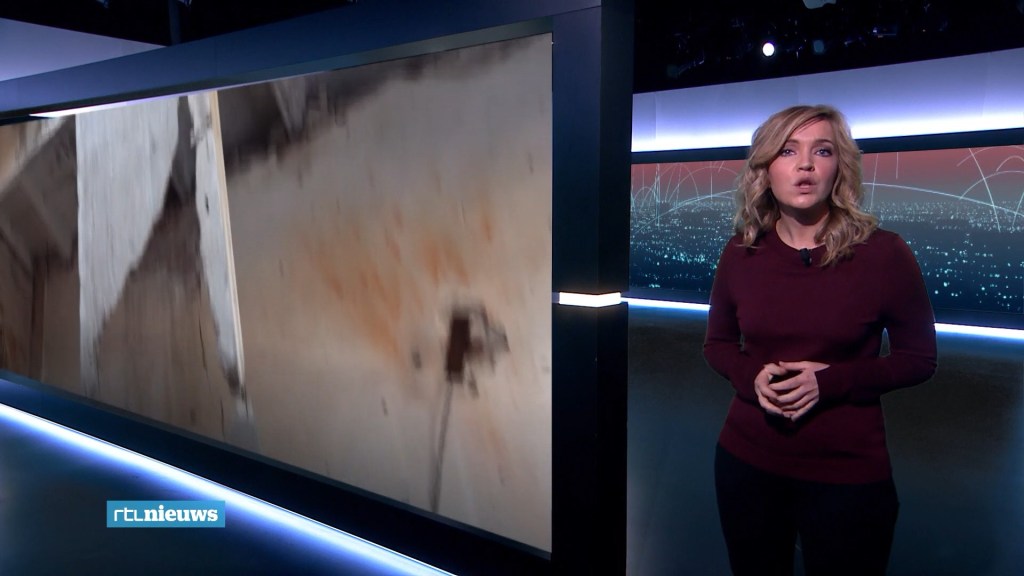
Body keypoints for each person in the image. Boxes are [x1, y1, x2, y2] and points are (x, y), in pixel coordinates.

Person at [703, 104, 937, 576]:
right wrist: (751, 377)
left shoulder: (885, 254)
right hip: (747, 463)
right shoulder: (741, 252)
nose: (806, 165)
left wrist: (830, 382)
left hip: (846, 472)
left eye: (822, 151)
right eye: (788, 151)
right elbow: (718, 345)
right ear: (766, 169)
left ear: (839, 168)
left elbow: (918, 359)